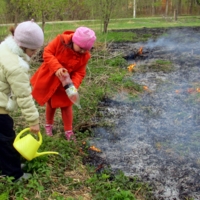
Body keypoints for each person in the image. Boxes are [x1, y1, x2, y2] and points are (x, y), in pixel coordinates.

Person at [30, 27, 96, 141]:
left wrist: (73, 85)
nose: (82, 51)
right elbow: (47, 53)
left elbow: (80, 72)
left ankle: (68, 131)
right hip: (51, 78)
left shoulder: (84, 56)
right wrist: (57, 68)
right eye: (81, 48)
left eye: (85, 50)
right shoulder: (60, 41)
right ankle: (48, 126)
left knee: (67, 105)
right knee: (51, 104)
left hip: (66, 84)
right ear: (75, 41)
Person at [0, 20, 44, 181]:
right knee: (6, 140)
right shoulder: (16, 67)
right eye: (33, 50)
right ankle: (13, 174)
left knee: (2, 140)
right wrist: (33, 121)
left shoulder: (5, 47)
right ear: (23, 45)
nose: (35, 53)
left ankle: (6, 164)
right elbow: (24, 96)